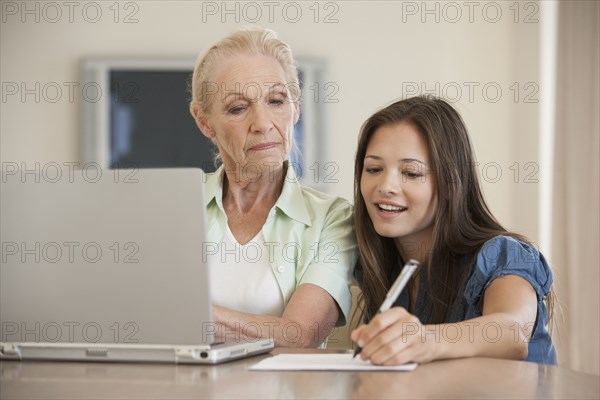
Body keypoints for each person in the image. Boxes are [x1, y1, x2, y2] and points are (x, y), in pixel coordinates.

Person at [350, 96, 556, 364]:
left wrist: (425, 340)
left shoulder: (505, 254)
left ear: (451, 183)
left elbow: (511, 331)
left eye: (411, 173)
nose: (385, 186)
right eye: (374, 168)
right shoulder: (379, 263)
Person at [188, 28, 356, 348]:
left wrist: (183, 315)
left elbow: (301, 335)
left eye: (276, 100)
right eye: (238, 108)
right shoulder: (175, 206)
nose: (263, 123)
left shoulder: (332, 218)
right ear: (204, 121)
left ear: (295, 107)